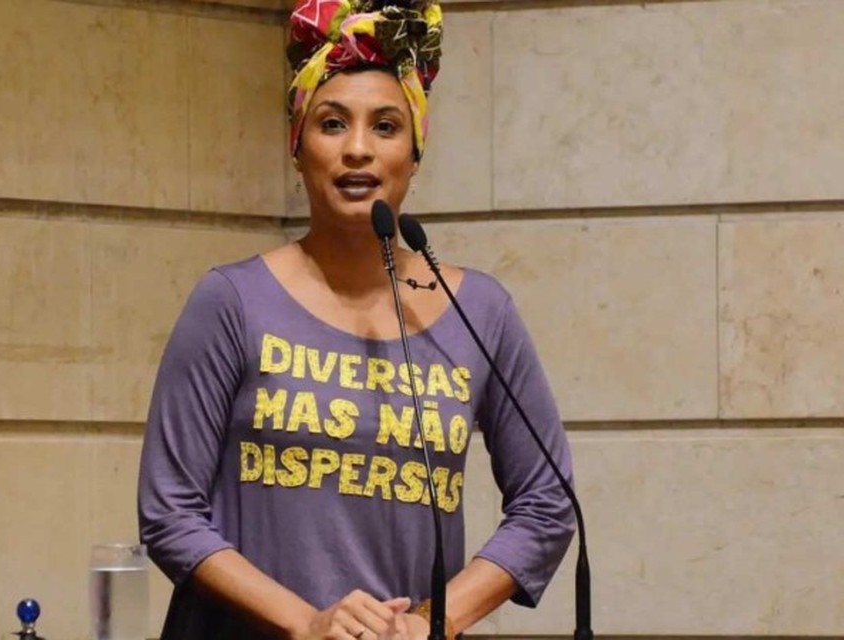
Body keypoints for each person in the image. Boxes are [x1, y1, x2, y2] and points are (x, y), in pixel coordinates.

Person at [137, 1, 576, 638]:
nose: (358, 150)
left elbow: (547, 503)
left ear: (415, 153)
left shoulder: (479, 312)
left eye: (387, 127)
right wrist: (308, 623)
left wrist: (435, 621)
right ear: (298, 147)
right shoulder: (231, 300)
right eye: (333, 123)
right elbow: (169, 513)